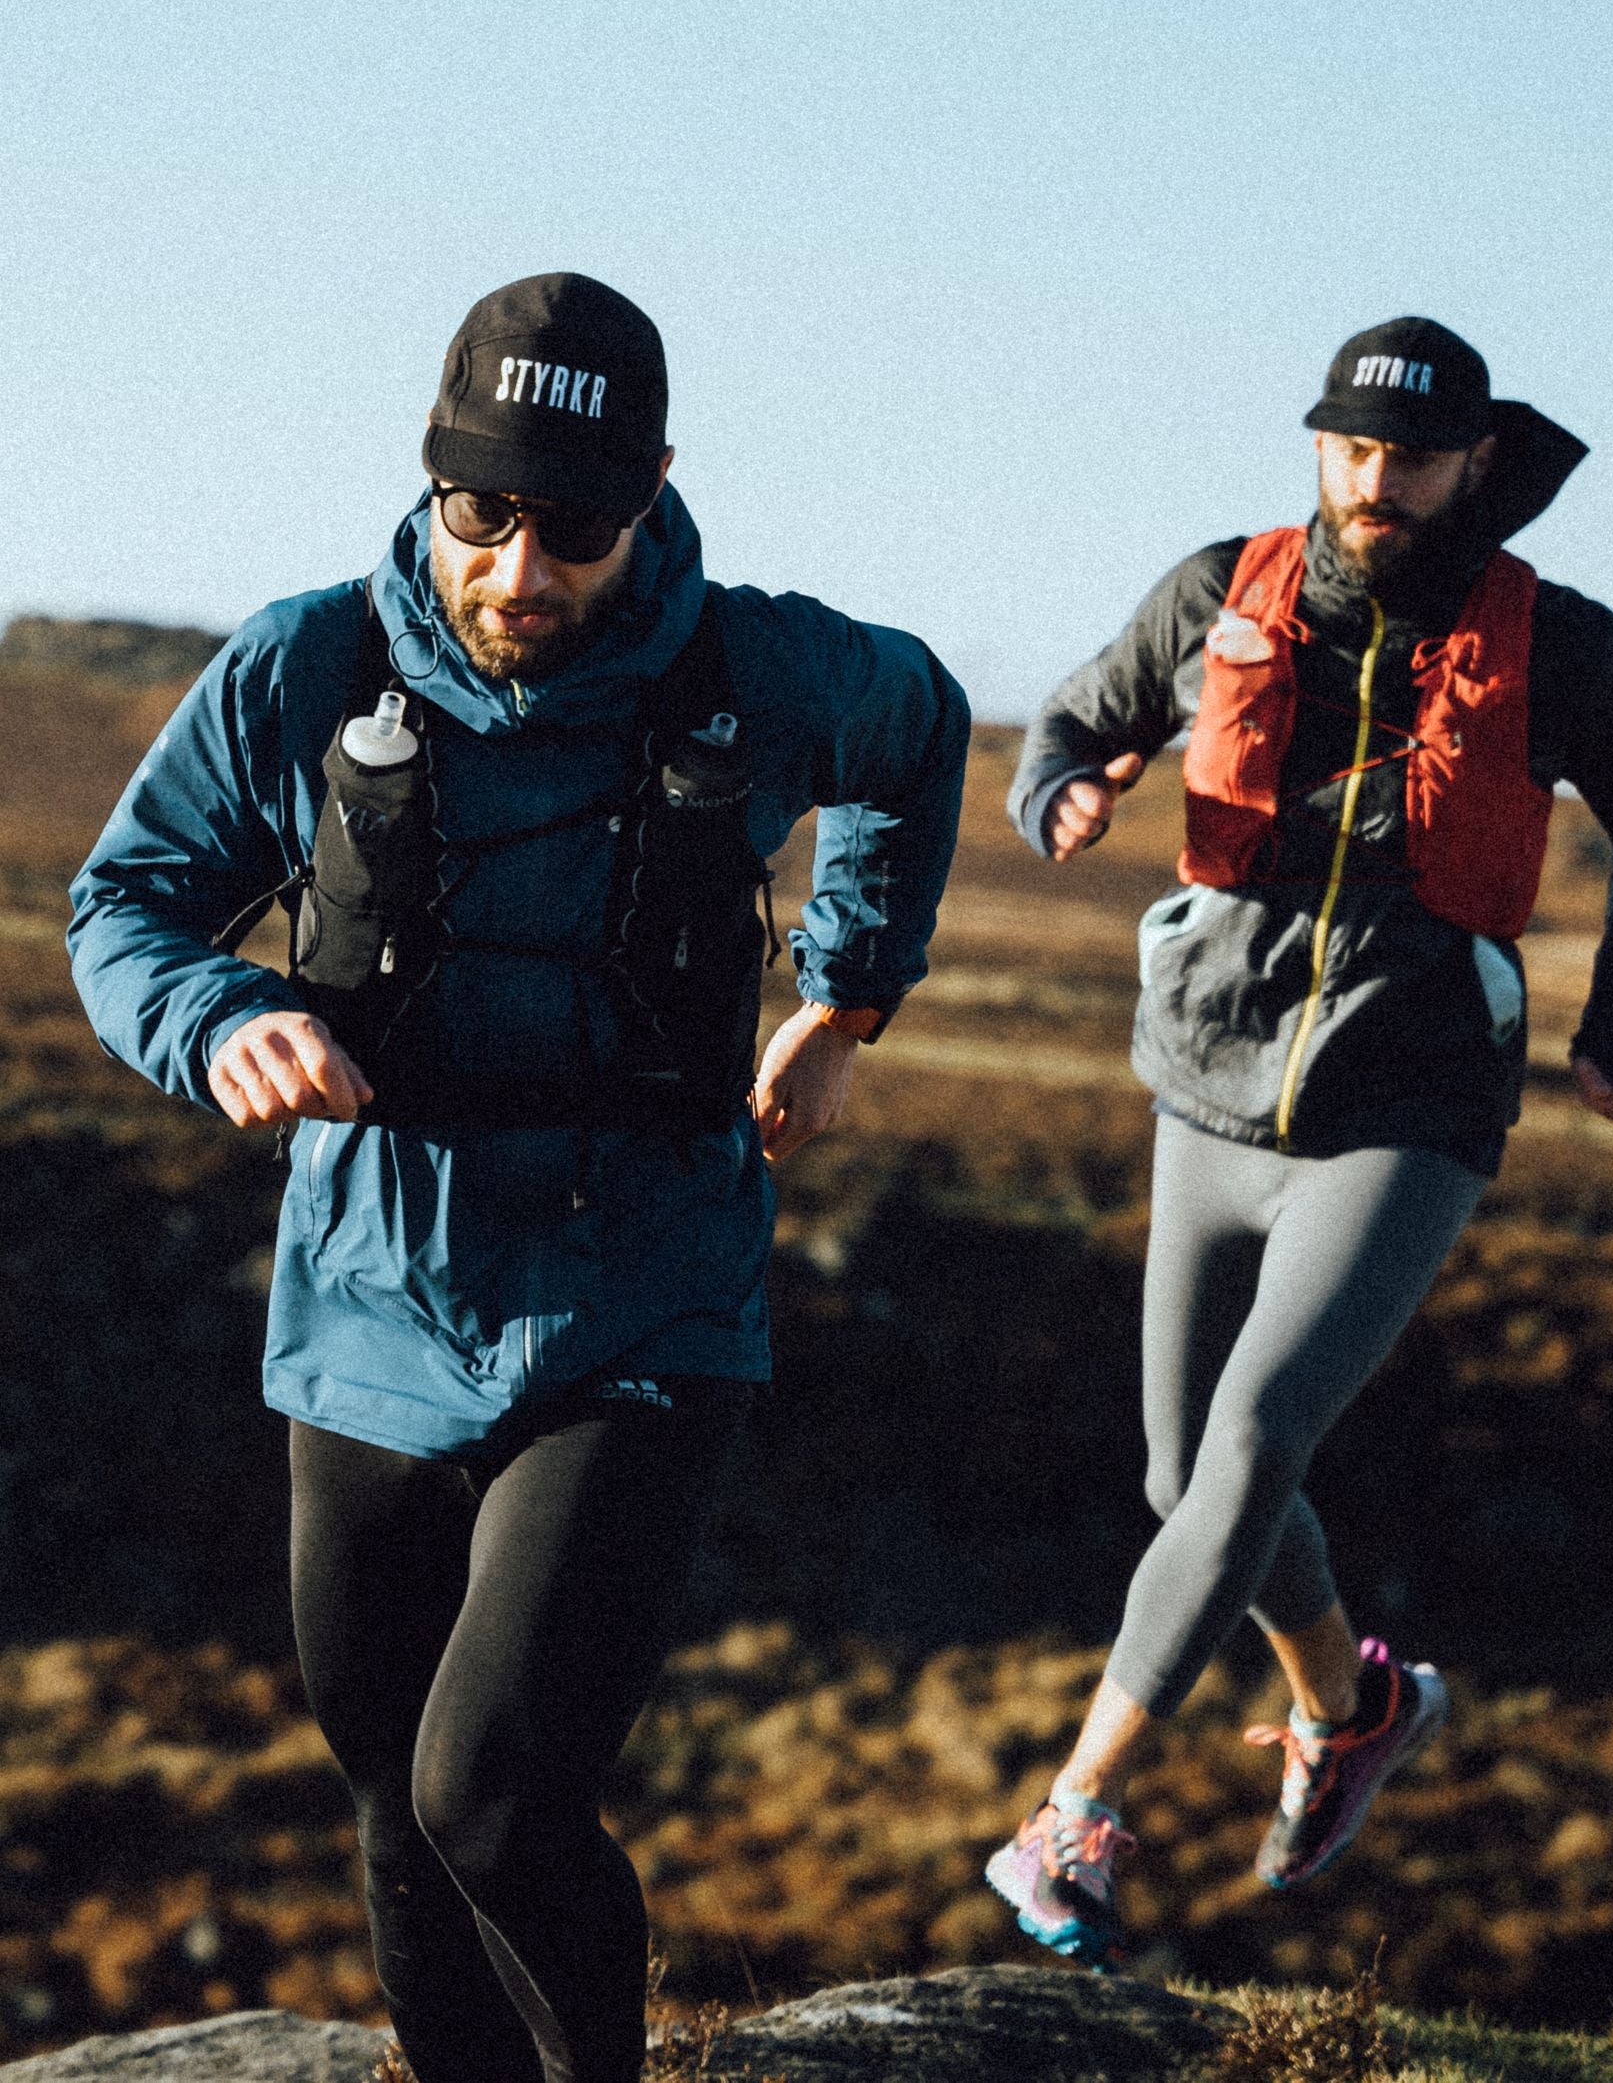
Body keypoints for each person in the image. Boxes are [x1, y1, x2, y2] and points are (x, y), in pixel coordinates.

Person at [68, 272, 968, 2083]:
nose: (519, 571)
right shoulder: (307, 666)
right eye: (484, 516)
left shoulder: (762, 668)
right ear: (433, 482)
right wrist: (217, 1015)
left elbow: (922, 725)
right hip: (372, 1303)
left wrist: (847, 994)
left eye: (574, 526)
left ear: (647, 499)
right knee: (390, 1795)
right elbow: (125, 906)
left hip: (643, 1299)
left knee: (488, 1788)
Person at [985, 316, 1613, 1968]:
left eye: (1415, 458)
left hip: (1415, 1103)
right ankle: (1354, 1703)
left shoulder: (1564, 643)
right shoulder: (1214, 590)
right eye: (1353, 450)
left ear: (1477, 464)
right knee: (1185, 1476)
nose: (1378, 483)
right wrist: (1062, 799)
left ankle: (1076, 1808)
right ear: (1321, 446)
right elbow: (1064, 726)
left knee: (1249, 1434)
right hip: (1208, 1084)